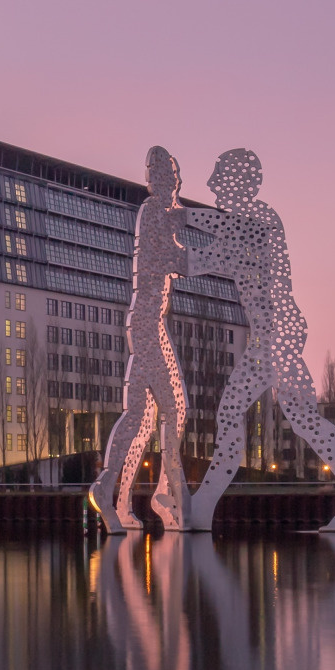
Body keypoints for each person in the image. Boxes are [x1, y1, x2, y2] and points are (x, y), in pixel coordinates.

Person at [183, 149, 335, 534]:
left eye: (218, 176)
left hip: (276, 333)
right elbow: (215, 252)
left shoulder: (260, 221)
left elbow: (212, 252)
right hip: (273, 333)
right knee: (299, 416)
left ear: (242, 183)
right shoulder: (247, 227)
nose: (210, 184)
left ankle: (203, 507)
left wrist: (178, 216)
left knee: (234, 413)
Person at [94, 147, 191, 533]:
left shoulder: (162, 215)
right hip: (148, 324)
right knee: (174, 409)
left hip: (150, 324)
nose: (175, 185)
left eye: (175, 178)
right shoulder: (154, 212)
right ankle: (164, 493)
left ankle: (115, 499)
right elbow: (177, 260)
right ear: (159, 180)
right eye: (170, 178)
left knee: (142, 418)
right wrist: (223, 249)